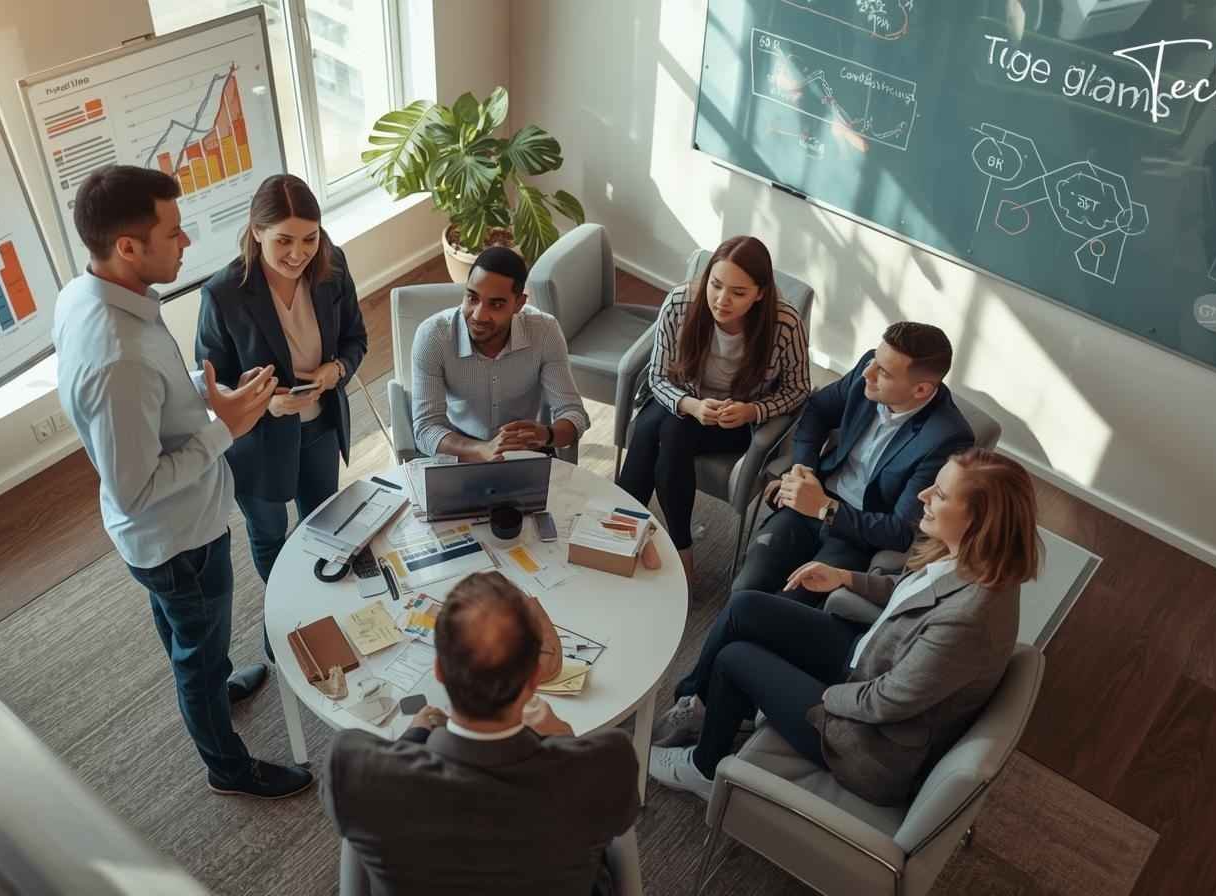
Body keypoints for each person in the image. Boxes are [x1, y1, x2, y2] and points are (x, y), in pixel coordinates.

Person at [53, 164, 311, 799]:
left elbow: (154, 406)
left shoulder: (90, 294)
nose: (187, 240)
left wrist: (208, 394)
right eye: (173, 232)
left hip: (169, 531)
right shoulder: (118, 359)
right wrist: (226, 429)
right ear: (127, 246)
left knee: (188, 636)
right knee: (197, 648)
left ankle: (214, 684)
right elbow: (136, 488)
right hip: (178, 539)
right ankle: (228, 767)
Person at [649, 449, 1040, 807]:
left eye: (939, 494)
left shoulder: (970, 618)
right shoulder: (968, 559)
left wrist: (816, 693)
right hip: (868, 659)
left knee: (736, 659)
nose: (923, 496)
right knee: (745, 607)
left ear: (979, 521)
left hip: (868, 743)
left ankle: (704, 768)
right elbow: (911, 593)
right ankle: (701, 705)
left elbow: (886, 702)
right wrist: (844, 577)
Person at [323, 572, 640, 895]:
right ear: (533, 679)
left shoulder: (356, 773)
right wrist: (561, 739)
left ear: (439, 670)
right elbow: (614, 817)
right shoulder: (608, 764)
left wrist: (416, 735)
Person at [195, 174, 368, 598]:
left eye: (310, 238)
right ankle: (286, 607)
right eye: (284, 240)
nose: (298, 254)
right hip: (259, 440)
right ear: (257, 232)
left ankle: (320, 601)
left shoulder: (332, 266)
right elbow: (213, 384)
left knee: (323, 523)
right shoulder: (223, 294)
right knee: (270, 533)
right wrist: (264, 404)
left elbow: (355, 338)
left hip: (320, 426)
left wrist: (336, 370)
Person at [732, 322, 976, 606]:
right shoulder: (868, 372)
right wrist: (804, 469)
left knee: (786, 604)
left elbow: (900, 530)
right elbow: (817, 410)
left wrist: (825, 508)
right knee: (746, 587)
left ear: (921, 390)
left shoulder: (946, 438)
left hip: (858, 533)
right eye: (874, 361)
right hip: (812, 500)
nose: (867, 373)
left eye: (883, 372)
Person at [616, 235, 810, 583]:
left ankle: (619, 532)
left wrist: (753, 411)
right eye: (716, 285)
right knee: (665, 429)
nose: (721, 300)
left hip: (736, 422)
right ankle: (671, 545)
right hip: (684, 403)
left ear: (760, 293)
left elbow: (798, 389)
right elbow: (657, 376)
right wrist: (691, 405)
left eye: (738, 292)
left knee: (655, 429)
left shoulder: (785, 323)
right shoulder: (681, 303)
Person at [410, 246, 590, 462]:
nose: (479, 315)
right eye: (472, 298)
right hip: (458, 449)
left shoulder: (545, 331)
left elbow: (574, 414)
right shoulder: (433, 336)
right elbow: (426, 429)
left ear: (519, 304)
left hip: (525, 448)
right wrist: (482, 450)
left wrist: (546, 434)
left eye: (496, 304)